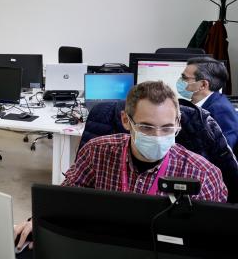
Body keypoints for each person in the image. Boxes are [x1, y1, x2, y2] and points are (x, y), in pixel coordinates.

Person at [15, 81, 228, 250]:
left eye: (167, 128)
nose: (157, 136)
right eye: (146, 127)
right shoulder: (97, 150)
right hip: (105, 248)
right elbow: (66, 196)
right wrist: (37, 220)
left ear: (178, 123)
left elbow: (213, 239)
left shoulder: (204, 173)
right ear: (126, 121)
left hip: (166, 257)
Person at [177, 56, 238, 149]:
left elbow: (222, 152)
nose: (180, 80)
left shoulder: (221, 110)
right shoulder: (195, 103)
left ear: (203, 84)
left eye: (184, 78)